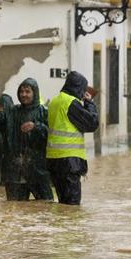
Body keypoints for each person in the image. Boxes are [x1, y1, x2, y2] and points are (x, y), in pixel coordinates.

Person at [0, 79, 53, 200]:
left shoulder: (44, 112)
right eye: (21, 91)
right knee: (15, 209)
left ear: (34, 93)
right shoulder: (11, 112)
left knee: (46, 206)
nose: (24, 94)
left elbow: (51, 134)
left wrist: (36, 127)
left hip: (39, 171)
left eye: (27, 91)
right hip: (14, 172)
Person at [46, 71, 99, 205]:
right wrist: (89, 103)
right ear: (78, 88)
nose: (83, 94)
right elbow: (92, 123)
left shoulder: (54, 101)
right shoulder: (70, 103)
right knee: (72, 206)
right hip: (69, 161)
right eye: (83, 90)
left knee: (63, 203)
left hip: (53, 160)